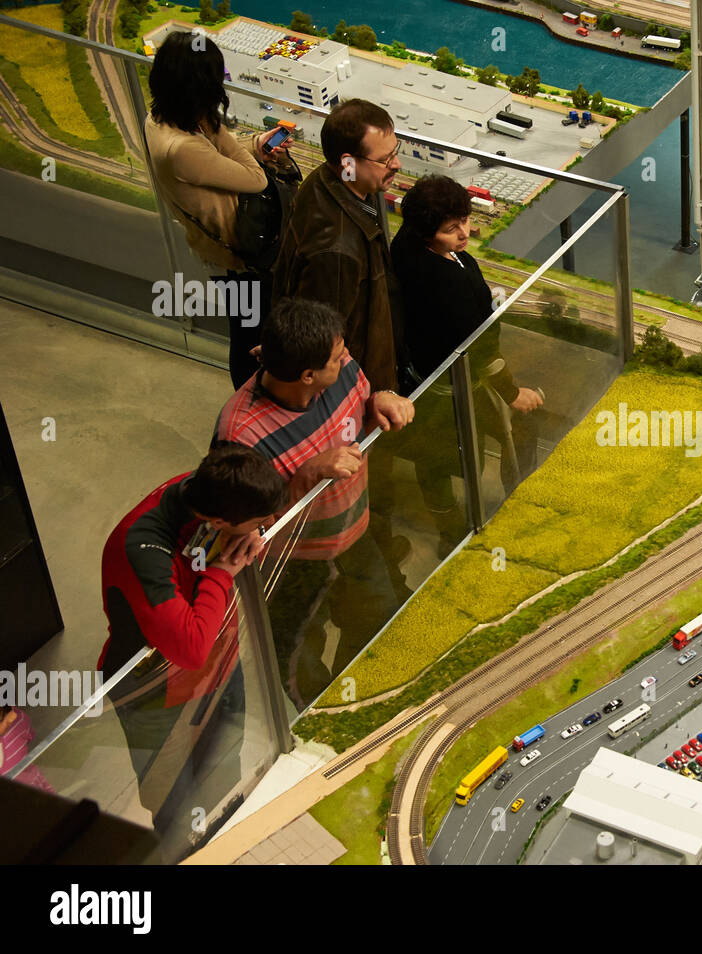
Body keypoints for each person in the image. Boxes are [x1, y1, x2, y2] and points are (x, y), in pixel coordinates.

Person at [212, 298, 414, 704]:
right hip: (293, 567)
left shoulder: (340, 372)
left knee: (379, 613)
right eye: (337, 357)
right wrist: (305, 475)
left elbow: (360, 416)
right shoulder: (241, 436)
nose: (347, 359)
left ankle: (355, 695)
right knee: (297, 655)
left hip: (354, 533)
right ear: (307, 375)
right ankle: (322, 718)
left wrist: (381, 400)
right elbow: (235, 527)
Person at [98, 444, 287, 839]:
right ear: (218, 521)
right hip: (155, 695)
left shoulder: (204, 491)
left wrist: (253, 534)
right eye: (258, 521)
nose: (264, 525)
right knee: (175, 810)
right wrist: (221, 571)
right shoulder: (142, 546)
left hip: (220, 669)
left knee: (223, 776)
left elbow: (247, 523)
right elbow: (190, 649)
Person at [390, 175, 543, 547]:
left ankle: (452, 528)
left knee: (437, 463)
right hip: (451, 389)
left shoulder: (409, 245)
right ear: (428, 234)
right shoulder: (444, 285)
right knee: (443, 461)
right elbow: (479, 345)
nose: (464, 234)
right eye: (451, 229)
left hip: (428, 378)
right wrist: (510, 393)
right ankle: (467, 525)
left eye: (464, 220)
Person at [145, 30, 293, 388]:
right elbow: (255, 180)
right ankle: (251, 409)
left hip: (226, 252)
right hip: (240, 255)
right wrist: (228, 135)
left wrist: (247, 144)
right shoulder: (181, 148)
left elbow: (215, 158)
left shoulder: (159, 118)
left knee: (247, 329)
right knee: (252, 336)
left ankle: (250, 405)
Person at [272, 99, 404, 393]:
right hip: (357, 392)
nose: (396, 164)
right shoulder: (337, 251)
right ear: (347, 162)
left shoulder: (327, 180)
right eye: (385, 159)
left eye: (395, 152)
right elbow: (322, 348)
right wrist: (371, 396)